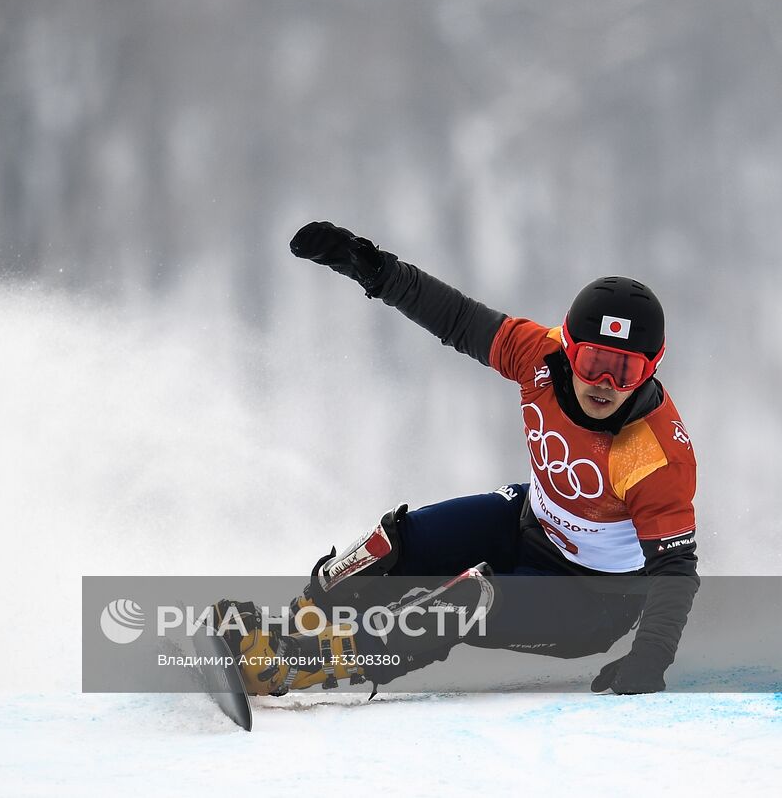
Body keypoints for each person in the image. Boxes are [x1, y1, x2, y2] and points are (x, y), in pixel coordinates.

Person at [213, 221, 699, 696]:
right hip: (530, 522)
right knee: (389, 545)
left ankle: (288, 667)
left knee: (462, 602)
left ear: (651, 369)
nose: (605, 385)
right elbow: (459, 319)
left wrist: (649, 657)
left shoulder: (656, 454)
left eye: (626, 371)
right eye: (595, 363)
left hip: (592, 601)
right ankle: (294, 628)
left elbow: (675, 570)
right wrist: (376, 270)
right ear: (568, 350)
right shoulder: (538, 355)